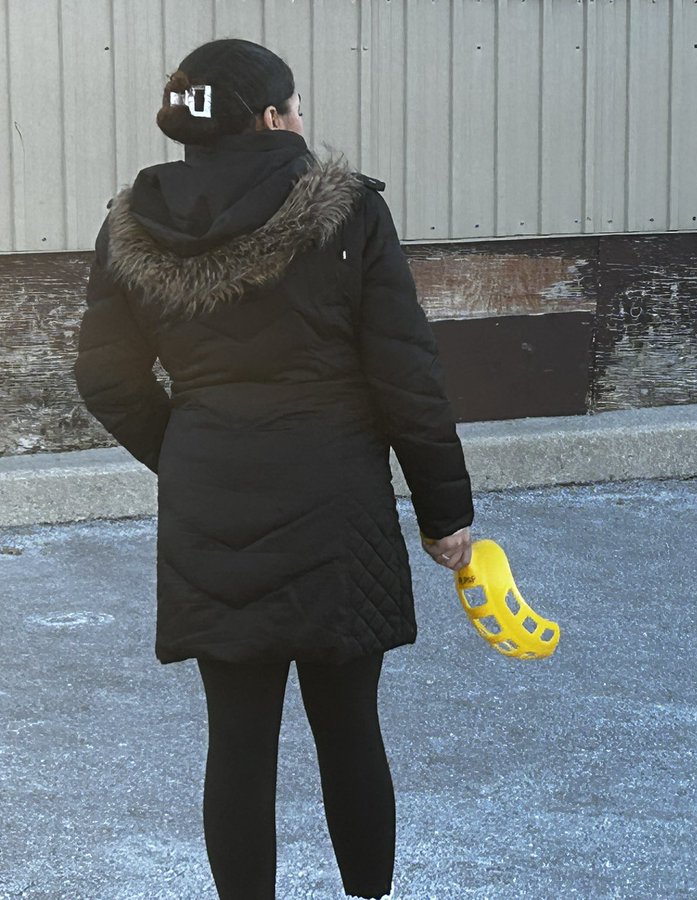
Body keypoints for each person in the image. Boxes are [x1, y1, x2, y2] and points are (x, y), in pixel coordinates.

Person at [74, 39, 473, 899]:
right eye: (294, 104)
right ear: (269, 117)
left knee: (239, 742)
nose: (302, 118)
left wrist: (183, 450)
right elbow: (406, 374)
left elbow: (105, 377)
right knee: (350, 728)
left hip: (209, 501)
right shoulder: (350, 211)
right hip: (339, 504)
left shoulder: (131, 224)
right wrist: (445, 512)